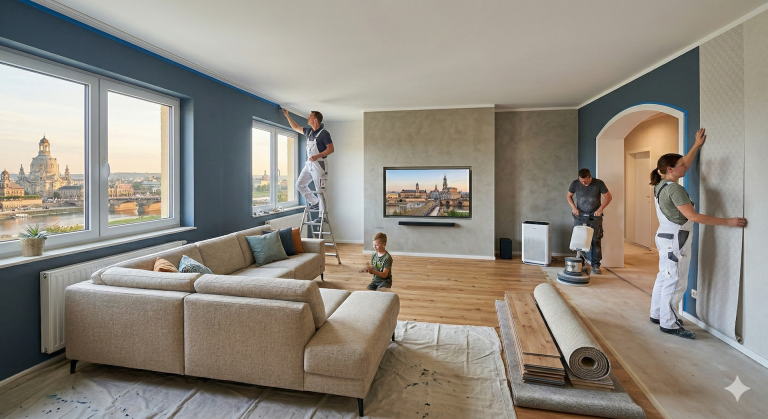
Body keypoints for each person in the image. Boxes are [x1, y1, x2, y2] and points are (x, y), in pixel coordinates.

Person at [649, 128, 747, 339]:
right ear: (670, 169)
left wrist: (695, 146)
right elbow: (692, 216)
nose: (685, 167)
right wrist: (728, 222)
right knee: (676, 281)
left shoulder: (660, 184)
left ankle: (657, 314)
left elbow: (683, 163)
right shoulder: (675, 189)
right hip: (677, 239)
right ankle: (669, 323)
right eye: (681, 165)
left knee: (665, 276)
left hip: (664, 237)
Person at [283, 109, 334, 222]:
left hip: (319, 164)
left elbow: (331, 149)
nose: (308, 118)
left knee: (321, 190)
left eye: (310, 117)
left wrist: (317, 156)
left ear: (315, 120)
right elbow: (296, 127)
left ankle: (323, 216)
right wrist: (287, 116)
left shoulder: (324, 133)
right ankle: (315, 202)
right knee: (300, 184)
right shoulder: (309, 132)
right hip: (309, 164)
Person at [566, 168, 613, 274]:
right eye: (581, 181)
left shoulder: (599, 183)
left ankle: (596, 265)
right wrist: (574, 208)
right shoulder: (575, 183)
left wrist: (600, 209)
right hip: (580, 215)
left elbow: (608, 197)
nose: (583, 183)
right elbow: (569, 196)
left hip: (595, 216)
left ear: (590, 177)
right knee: (580, 239)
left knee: (595, 240)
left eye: (586, 181)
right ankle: (580, 263)